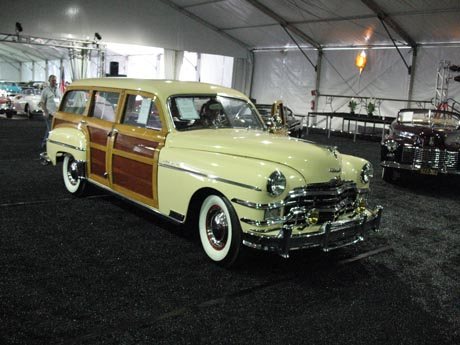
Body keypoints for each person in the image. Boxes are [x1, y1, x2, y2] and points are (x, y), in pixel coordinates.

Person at [39, 75, 60, 149]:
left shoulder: (58, 90)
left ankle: (45, 143)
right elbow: (42, 102)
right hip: (49, 113)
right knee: (51, 129)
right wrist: (46, 112)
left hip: (56, 114)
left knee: (50, 129)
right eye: (53, 80)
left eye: (55, 80)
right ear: (49, 81)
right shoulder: (45, 91)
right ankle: (47, 144)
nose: (54, 82)